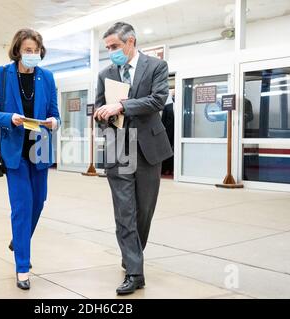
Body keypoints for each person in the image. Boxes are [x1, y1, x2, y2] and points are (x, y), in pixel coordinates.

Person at [94, 22, 173, 295]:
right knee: (124, 211)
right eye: (108, 48)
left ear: (131, 42)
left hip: (149, 149)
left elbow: (157, 100)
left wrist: (122, 106)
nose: (111, 52)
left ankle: (131, 253)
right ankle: (135, 272)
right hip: (119, 148)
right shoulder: (105, 74)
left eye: (115, 46)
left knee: (143, 211)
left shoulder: (155, 67)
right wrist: (103, 117)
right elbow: (98, 107)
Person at [0, 28, 60, 290]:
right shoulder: (1, 75)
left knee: (39, 202)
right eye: (28, 50)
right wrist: (9, 118)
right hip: (14, 152)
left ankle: (19, 240)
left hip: (39, 149)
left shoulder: (47, 77)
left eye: (36, 51)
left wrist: (54, 122)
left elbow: (55, 113)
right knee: (22, 206)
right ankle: (23, 267)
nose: (33, 55)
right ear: (18, 50)